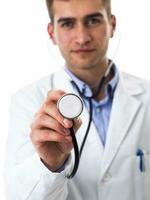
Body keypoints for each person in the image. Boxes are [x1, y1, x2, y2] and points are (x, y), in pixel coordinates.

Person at [4, 0, 150, 199]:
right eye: (67, 23)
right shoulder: (27, 101)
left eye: (93, 20)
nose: (82, 38)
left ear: (112, 25)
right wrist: (50, 165)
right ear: (51, 33)